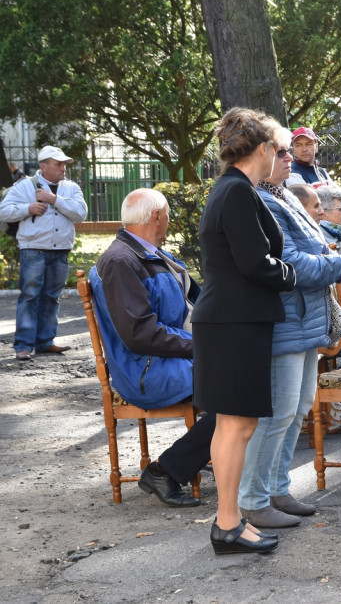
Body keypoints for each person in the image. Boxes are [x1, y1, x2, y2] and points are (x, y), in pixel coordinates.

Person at [239, 133, 341, 529]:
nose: (291, 157)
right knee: (278, 412)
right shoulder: (262, 200)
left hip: (306, 317)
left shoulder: (286, 195)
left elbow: (316, 247)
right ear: (261, 155)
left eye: (291, 151)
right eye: (282, 151)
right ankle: (253, 500)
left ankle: (277, 488)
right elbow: (291, 263)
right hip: (284, 318)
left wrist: (334, 257)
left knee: (298, 409)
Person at [191, 107, 296, 555]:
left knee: (238, 425)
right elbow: (255, 262)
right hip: (233, 321)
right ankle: (228, 523)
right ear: (264, 149)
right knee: (235, 426)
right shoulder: (235, 191)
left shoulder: (236, 189)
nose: (282, 157)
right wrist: (291, 275)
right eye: (280, 149)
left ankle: (229, 520)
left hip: (235, 320)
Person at [89, 188, 213, 508]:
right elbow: (140, 334)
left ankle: (205, 452)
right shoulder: (120, 261)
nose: (169, 221)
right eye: (168, 214)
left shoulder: (148, 253)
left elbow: (191, 303)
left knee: (240, 384)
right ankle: (166, 470)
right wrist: (202, 345)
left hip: (166, 356)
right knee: (237, 394)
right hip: (145, 368)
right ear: (156, 216)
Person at [0, 145, 88, 360]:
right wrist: (27, 209)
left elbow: (81, 214)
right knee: (30, 297)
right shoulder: (24, 186)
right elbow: (3, 211)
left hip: (60, 250)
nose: (63, 168)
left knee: (51, 297)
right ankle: (23, 346)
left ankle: (45, 342)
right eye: (58, 164)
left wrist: (53, 200)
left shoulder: (71, 188)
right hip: (34, 250)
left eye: (64, 164)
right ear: (44, 165)